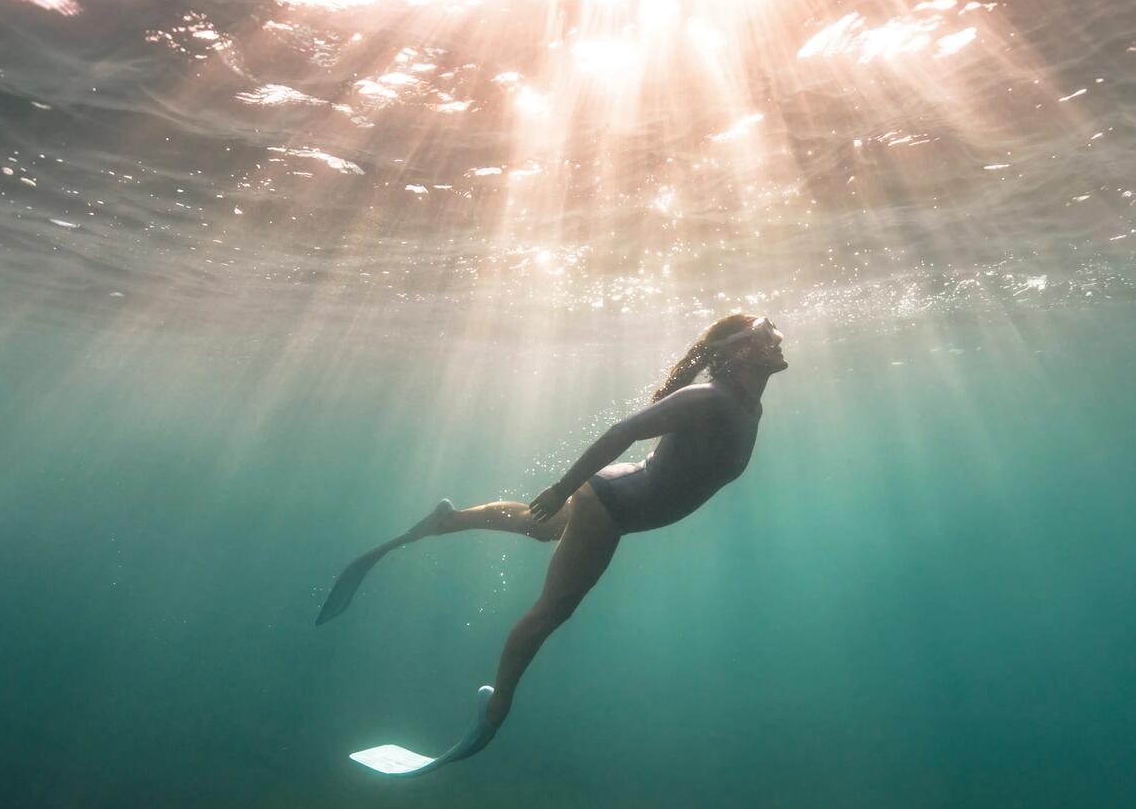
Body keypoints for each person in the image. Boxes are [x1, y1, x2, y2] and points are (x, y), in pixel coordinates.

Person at [323, 313, 788, 774]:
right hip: (612, 508)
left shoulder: (747, 405)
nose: (778, 339)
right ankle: (496, 708)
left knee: (541, 527)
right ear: (734, 351)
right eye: (765, 333)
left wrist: (569, 494)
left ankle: (448, 521)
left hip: (614, 496)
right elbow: (621, 432)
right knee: (553, 610)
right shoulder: (708, 398)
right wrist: (564, 488)